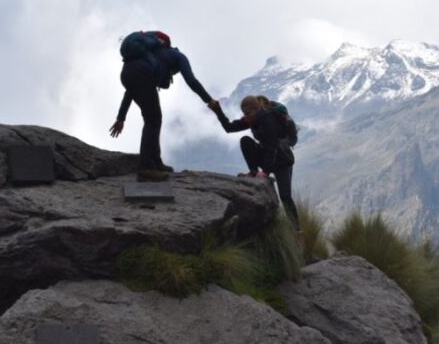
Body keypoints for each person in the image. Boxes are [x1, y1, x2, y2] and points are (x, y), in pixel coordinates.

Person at [110, 31, 217, 182]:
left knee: (153, 118)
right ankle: (146, 168)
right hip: (143, 75)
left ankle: (155, 162)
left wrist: (121, 117)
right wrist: (209, 100)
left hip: (126, 74)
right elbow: (191, 81)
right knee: (153, 119)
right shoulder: (179, 57)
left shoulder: (149, 56)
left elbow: (130, 91)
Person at [209, 95, 300, 233]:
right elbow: (229, 128)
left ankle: (297, 231)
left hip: (282, 160)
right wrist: (218, 112)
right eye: (244, 113)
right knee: (245, 141)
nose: (245, 116)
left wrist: (266, 172)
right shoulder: (252, 119)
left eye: (247, 113)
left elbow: (272, 146)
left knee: (285, 197)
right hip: (267, 157)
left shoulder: (268, 119)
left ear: (256, 110)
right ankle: (252, 171)